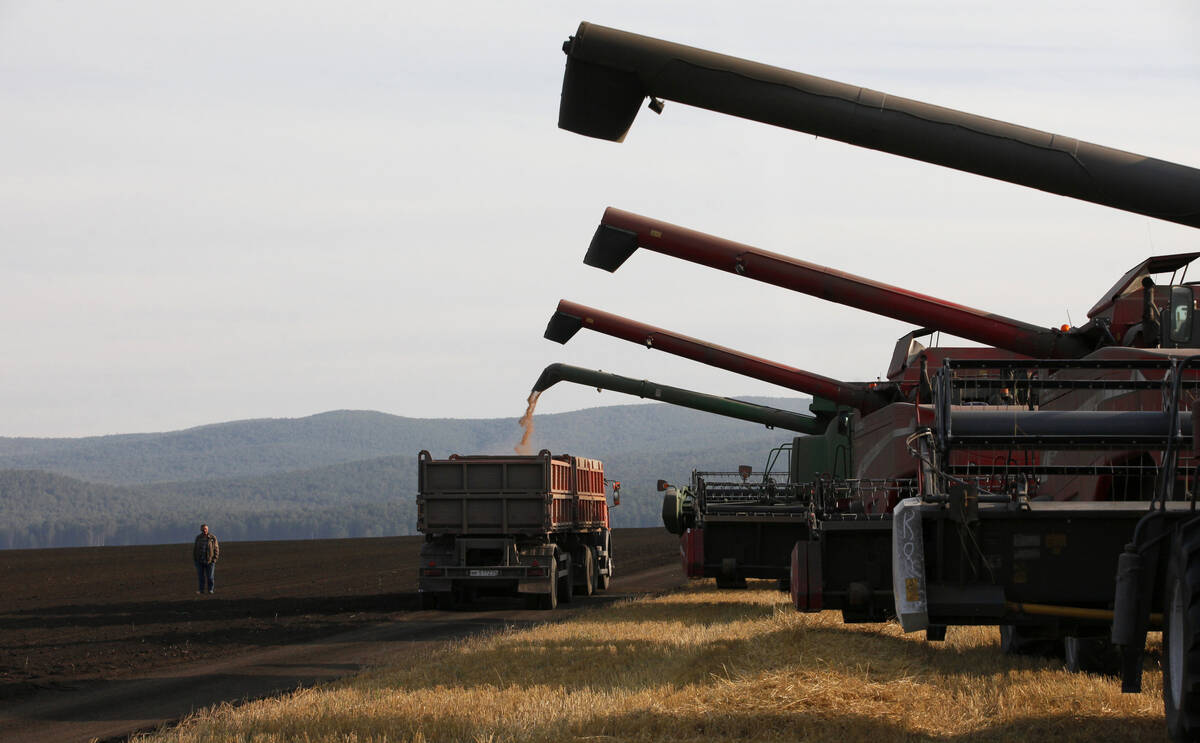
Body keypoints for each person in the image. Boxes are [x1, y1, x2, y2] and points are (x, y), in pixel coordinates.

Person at [193, 523, 220, 594]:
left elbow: (216, 549)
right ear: (201, 530)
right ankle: (201, 590)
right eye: (203, 529)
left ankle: (210, 590)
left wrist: (214, 559)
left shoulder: (212, 538)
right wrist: (195, 559)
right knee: (201, 577)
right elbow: (195, 549)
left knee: (210, 577)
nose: (204, 530)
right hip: (200, 561)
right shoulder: (198, 538)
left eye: (205, 529)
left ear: (207, 529)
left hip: (210, 561)